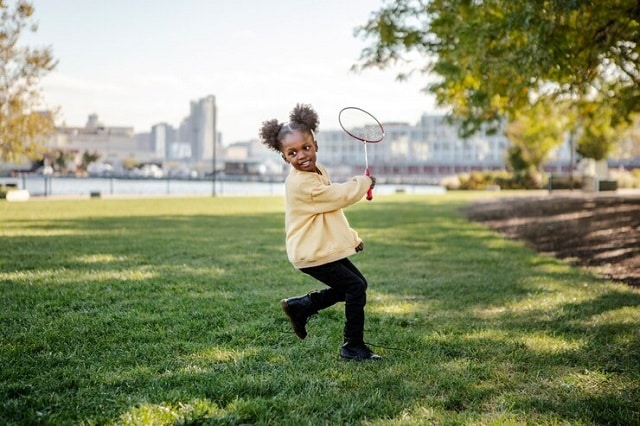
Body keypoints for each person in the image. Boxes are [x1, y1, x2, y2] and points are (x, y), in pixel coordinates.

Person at [258, 103, 381, 361]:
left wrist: (352, 240)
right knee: (355, 287)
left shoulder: (318, 171)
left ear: (316, 145)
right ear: (284, 158)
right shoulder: (301, 184)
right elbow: (337, 197)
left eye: (306, 147)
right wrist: (364, 182)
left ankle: (300, 306)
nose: (301, 155)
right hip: (310, 252)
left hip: (320, 247)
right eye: (292, 153)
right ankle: (352, 346)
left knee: (355, 287)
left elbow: (330, 214)